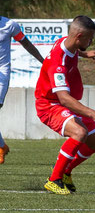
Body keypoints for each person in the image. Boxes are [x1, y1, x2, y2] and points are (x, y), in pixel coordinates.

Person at [35, 15, 95, 195]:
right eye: (89, 38)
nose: (92, 41)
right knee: (80, 132)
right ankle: (54, 179)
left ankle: (66, 171)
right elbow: (63, 98)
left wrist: (85, 53)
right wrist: (93, 114)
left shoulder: (67, 42)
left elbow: (72, 49)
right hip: (50, 105)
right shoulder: (58, 63)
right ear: (78, 36)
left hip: (67, 105)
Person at [0, 16, 44, 164]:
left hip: (2, 74)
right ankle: (1, 147)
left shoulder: (9, 25)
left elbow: (26, 43)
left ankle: (1, 147)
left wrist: (43, 62)